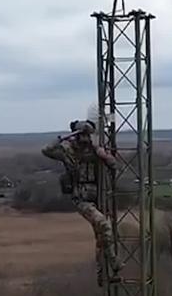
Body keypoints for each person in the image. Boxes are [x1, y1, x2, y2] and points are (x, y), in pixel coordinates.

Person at [42, 120, 123, 286]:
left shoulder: (95, 151)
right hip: (81, 198)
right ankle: (114, 262)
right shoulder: (69, 152)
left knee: (101, 237)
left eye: (88, 135)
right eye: (82, 136)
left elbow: (115, 166)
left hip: (97, 197)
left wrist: (104, 155)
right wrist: (62, 138)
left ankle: (103, 276)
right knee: (104, 225)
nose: (85, 140)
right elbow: (47, 150)